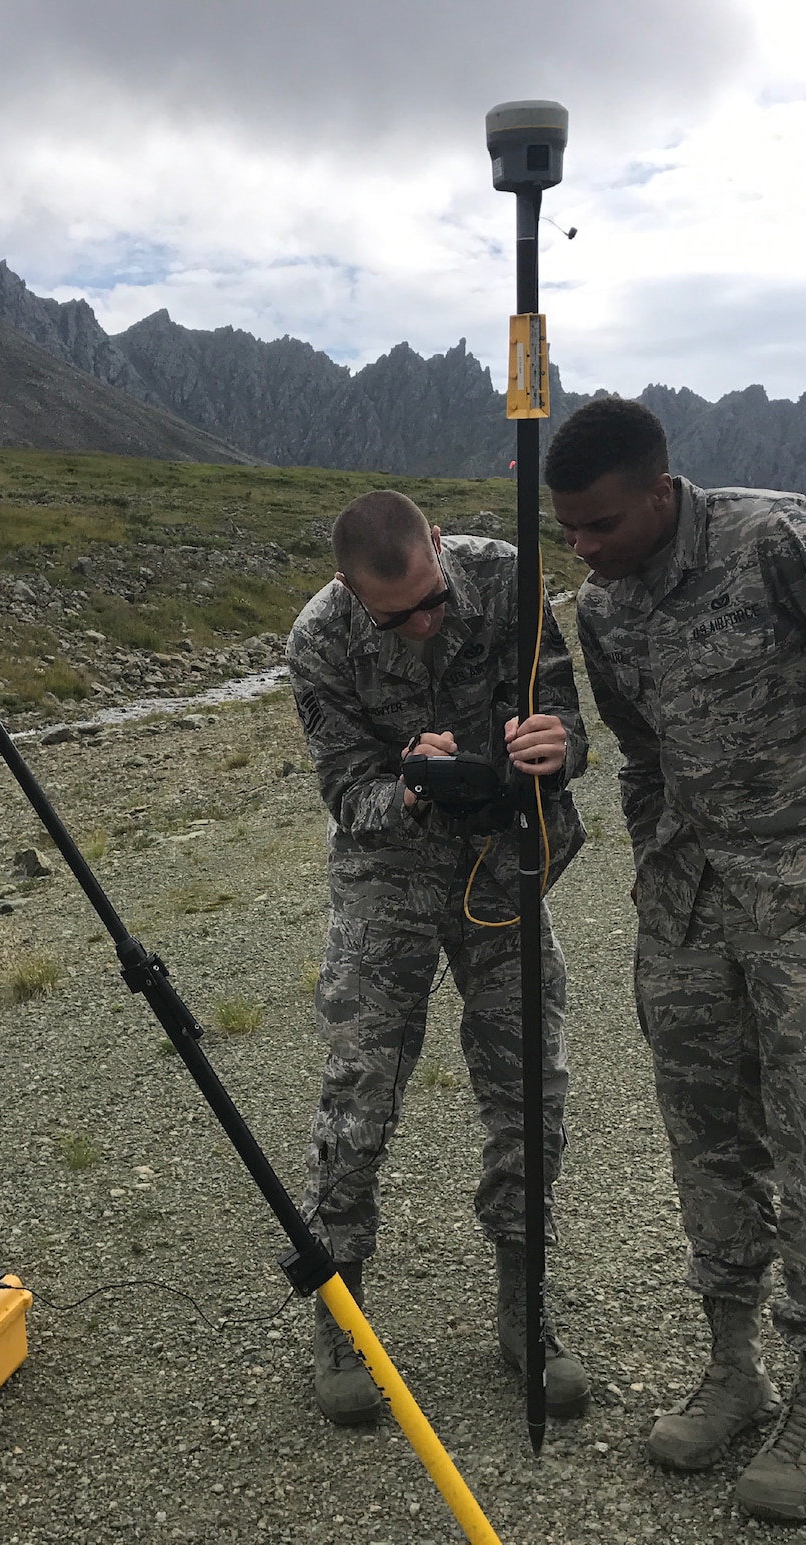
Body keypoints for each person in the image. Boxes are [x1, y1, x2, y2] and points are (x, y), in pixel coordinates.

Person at [547, 398, 806, 1521]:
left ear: (656, 491)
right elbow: (639, 756)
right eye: (566, 532)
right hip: (687, 903)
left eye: (597, 524)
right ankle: (733, 1366)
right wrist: (653, 874)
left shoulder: (782, 537)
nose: (581, 550)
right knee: (705, 1136)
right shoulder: (602, 608)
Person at [286, 489, 591, 1426]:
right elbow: (345, 790)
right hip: (392, 880)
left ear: (441, 550)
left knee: (529, 1083)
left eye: (431, 600)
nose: (422, 623)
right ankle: (341, 1314)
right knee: (359, 1087)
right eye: (397, 615)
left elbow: (569, 721)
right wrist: (408, 787)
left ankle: (522, 1302)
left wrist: (557, 746)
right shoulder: (319, 641)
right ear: (349, 589)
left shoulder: (508, 580)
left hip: (503, 867)